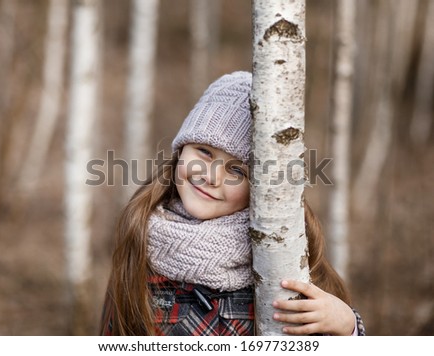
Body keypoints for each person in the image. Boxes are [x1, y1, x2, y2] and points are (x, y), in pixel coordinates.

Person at [99, 71, 366, 336]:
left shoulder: (285, 251)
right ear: (181, 150)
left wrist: (347, 327)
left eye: (237, 171)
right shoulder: (139, 236)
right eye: (204, 152)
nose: (212, 176)